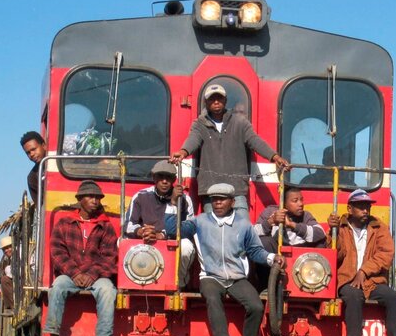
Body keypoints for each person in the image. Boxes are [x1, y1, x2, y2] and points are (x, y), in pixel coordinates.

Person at [165, 183, 285, 336]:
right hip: (210, 277)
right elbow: (173, 229)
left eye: (222, 199)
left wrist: (271, 257)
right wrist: (173, 203)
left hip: (236, 278)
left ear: (233, 202)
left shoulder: (244, 225)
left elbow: (254, 251)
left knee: (255, 305)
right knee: (213, 298)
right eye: (214, 199)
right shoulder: (200, 221)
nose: (217, 203)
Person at [169, 83, 290, 219]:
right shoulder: (199, 124)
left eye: (219, 98)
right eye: (212, 99)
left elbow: (255, 141)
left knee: (241, 230)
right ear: (206, 102)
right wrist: (183, 152)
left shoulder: (240, 122)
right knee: (213, 233)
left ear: (225, 101)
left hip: (236, 191)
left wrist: (275, 157)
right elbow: (193, 140)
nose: (216, 102)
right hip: (211, 193)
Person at [328, 189, 396, 336]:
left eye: (367, 207)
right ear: (350, 208)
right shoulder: (341, 228)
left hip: (373, 281)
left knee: (394, 298)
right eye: (361, 207)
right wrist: (332, 232)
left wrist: (364, 271)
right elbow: (333, 256)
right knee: (353, 298)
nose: (365, 211)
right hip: (347, 280)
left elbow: (385, 255)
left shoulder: (380, 228)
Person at [42, 181, 118, 336]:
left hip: (97, 277)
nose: (95, 200)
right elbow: (57, 252)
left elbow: (109, 256)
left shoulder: (105, 226)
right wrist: (75, 273)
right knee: (57, 287)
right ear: (79, 200)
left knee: (108, 291)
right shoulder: (64, 223)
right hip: (70, 275)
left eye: (98, 198)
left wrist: (92, 274)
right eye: (90, 197)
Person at [126, 160, 195, 287]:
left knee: (186, 246)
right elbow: (129, 224)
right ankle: (133, 282)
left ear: (174, 179)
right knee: (121, 241)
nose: (164, 181)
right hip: (146, 242)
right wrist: (142, 231)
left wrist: (173, 202)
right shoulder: (141, 196)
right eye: (160, 177)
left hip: (170, 242)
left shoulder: (185, 199)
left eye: (168, 177)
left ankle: (179, 283)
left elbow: (189, 230)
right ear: (154, 178)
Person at [253, 187, 326, 252]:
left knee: (321, 242)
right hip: (276, 254)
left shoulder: (305, 215)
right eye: (295, 201)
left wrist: (292, 225)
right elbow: (253, 233)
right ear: (284, 203)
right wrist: (270, 222)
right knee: (264, 242)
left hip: (301, 257)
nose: (300, 204)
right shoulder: (270, 211)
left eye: (301, 200)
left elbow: (320, 233)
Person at [20, 131, 47, 204]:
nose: (31, 154)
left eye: (33, 149)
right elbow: (40, 206)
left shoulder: (61, 161)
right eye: (28, 153)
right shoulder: (32, 177)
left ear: (44, 146)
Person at [0, 236, 14, 311]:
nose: (6, 250)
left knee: (4, 279)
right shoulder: (9, 259)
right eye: (4, 249)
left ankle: (13, 306)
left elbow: (11, 273)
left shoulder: (18, 254)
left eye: (8, 248)